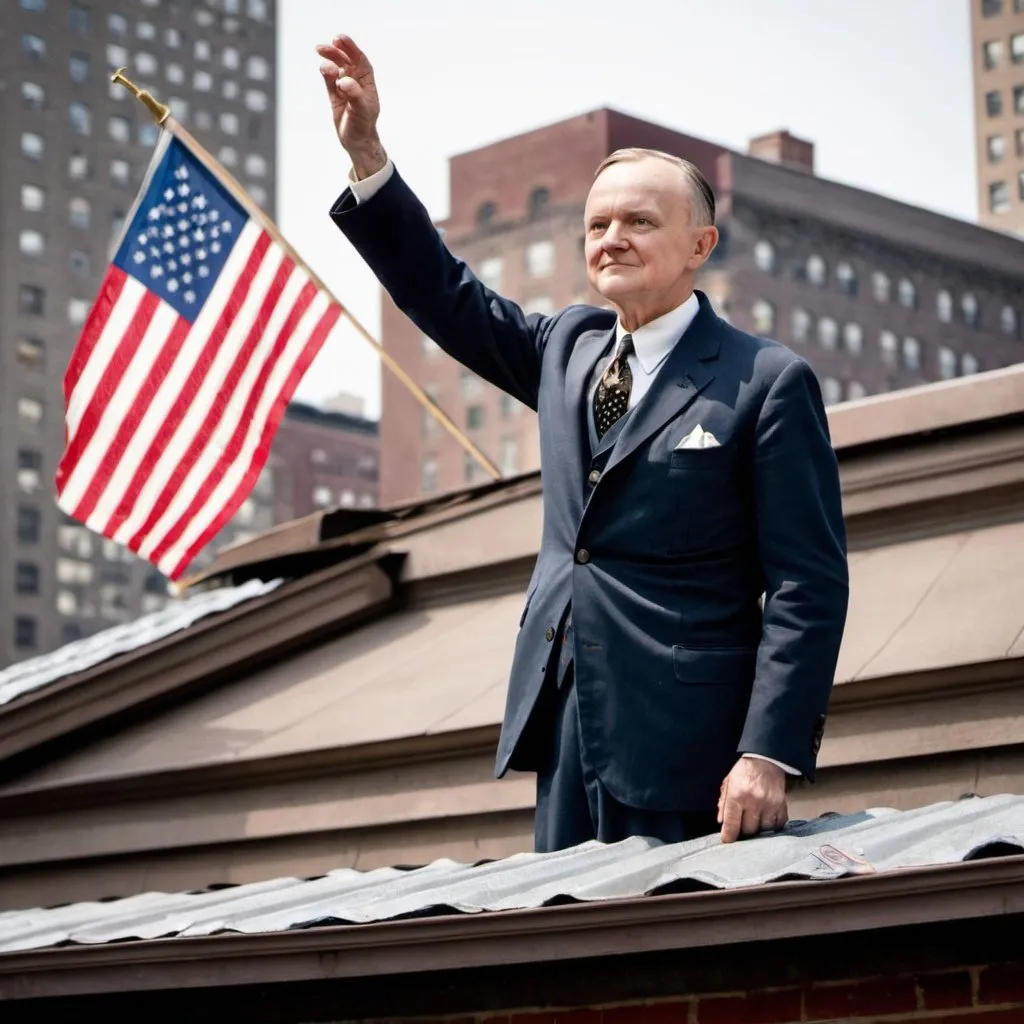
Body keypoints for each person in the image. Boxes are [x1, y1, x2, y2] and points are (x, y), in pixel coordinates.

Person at [317, 35, 850, 851]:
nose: (612, 239)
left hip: (693, 748)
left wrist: (767, 753)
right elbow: (446, 296)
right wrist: (368, 156)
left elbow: (808, 587)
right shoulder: (566, 347)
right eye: (598, 224)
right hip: (562, 725)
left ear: (701, 247)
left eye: (640, 221)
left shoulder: (767, 382)